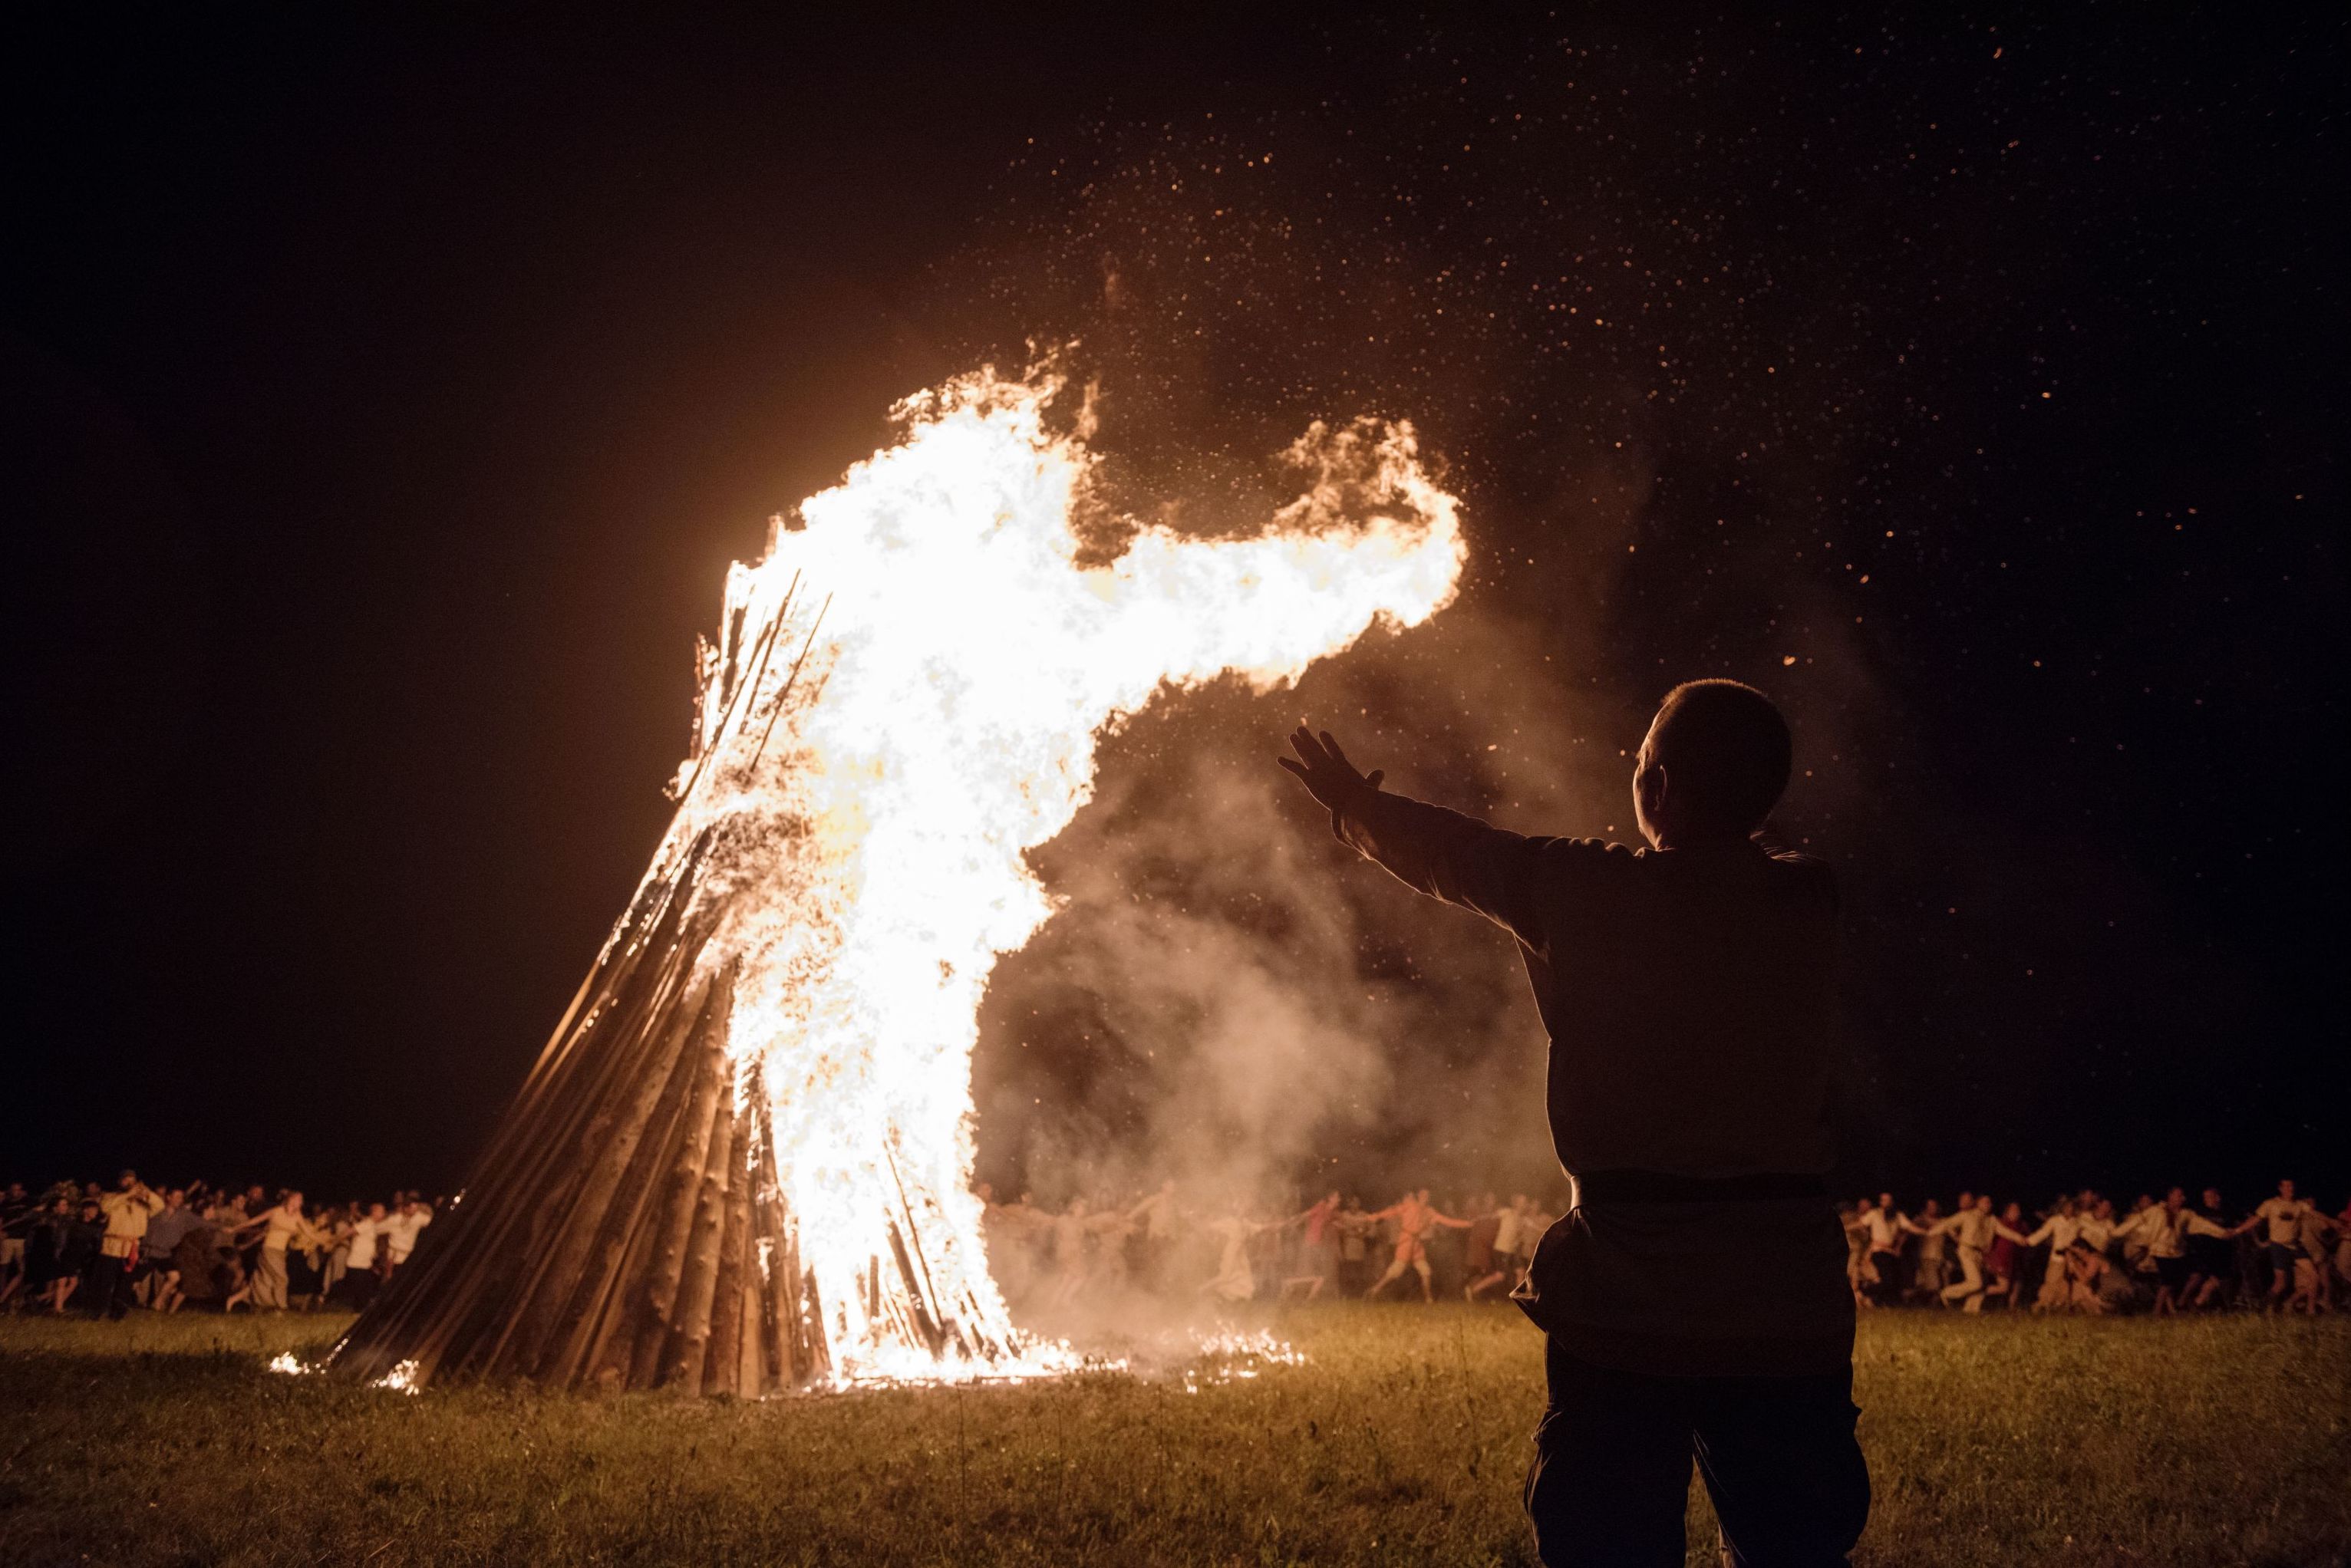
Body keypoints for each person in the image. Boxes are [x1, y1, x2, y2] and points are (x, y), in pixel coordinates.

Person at [1281, 680, 1870, 1566]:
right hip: (1783, 1288)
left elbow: (1454, 852)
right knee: (1795, 1546)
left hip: (1633, 1291)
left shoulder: (1582, 888)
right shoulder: (1809, 901)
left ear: (1656, 788)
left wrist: (1356, 806)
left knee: (1606, 1541)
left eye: (1640, 761)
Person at [1362, 1188, 1470, 1303]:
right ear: (1418, 1196)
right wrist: (1376, 1216)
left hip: (1417, 1244)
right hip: (1406, 1241)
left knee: (1425, 1271)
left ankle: (1429, 1299)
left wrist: (1467, 1224)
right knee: (1397, 1270)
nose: (1425, 1197)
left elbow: (1448, 1221)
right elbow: (1393, 1211)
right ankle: (1374, 1290)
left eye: (1427, 1195)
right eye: (1423, 1195)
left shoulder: (1430, 1212)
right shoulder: (1410, 1205)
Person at [90, 1170, 164, 1320]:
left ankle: (117, 1313)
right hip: (112, 1247)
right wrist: (128, 1195)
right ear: (120, 1182)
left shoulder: (143, 1203)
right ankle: (98, 1311)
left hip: (131, 1248)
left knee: (125, 1283)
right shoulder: (111, 1197)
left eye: (133, 1181)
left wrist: (147, 1192)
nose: (130, 1183)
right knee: (105, 1281)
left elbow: (160, 1205)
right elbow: (105, 1207)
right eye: (126, 1180)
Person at [2231, 1180, 2312, 1312]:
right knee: (2281, 1283)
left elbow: (2315, 1214)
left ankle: (2309, 1309)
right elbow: (2255, 1219)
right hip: (2278, 1246)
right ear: (2280, 1188)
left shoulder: (2299, 1205)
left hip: (2295, 1246)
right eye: (2286, 1186)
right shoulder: (2270, 1204)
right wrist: (2237, 1230)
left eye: (2291, 1186)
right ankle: (2265, 1306)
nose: (2289, 1189)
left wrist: (2331, 1221)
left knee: (2313, 1276)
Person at [1898, 1199, 1949, 1301]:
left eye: (1934, 1206)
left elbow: (1954, 1234)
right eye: (1930, 1206)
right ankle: (1910, 1295)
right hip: (1927, 1257)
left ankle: (1912, 1294)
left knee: (1944, 1284)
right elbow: (1907, 1232)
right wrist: (1898, 1246)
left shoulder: (1943, 1221)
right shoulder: (1920, 1220)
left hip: (1941, 1257)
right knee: (1934, 1286)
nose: (1932, 1208)